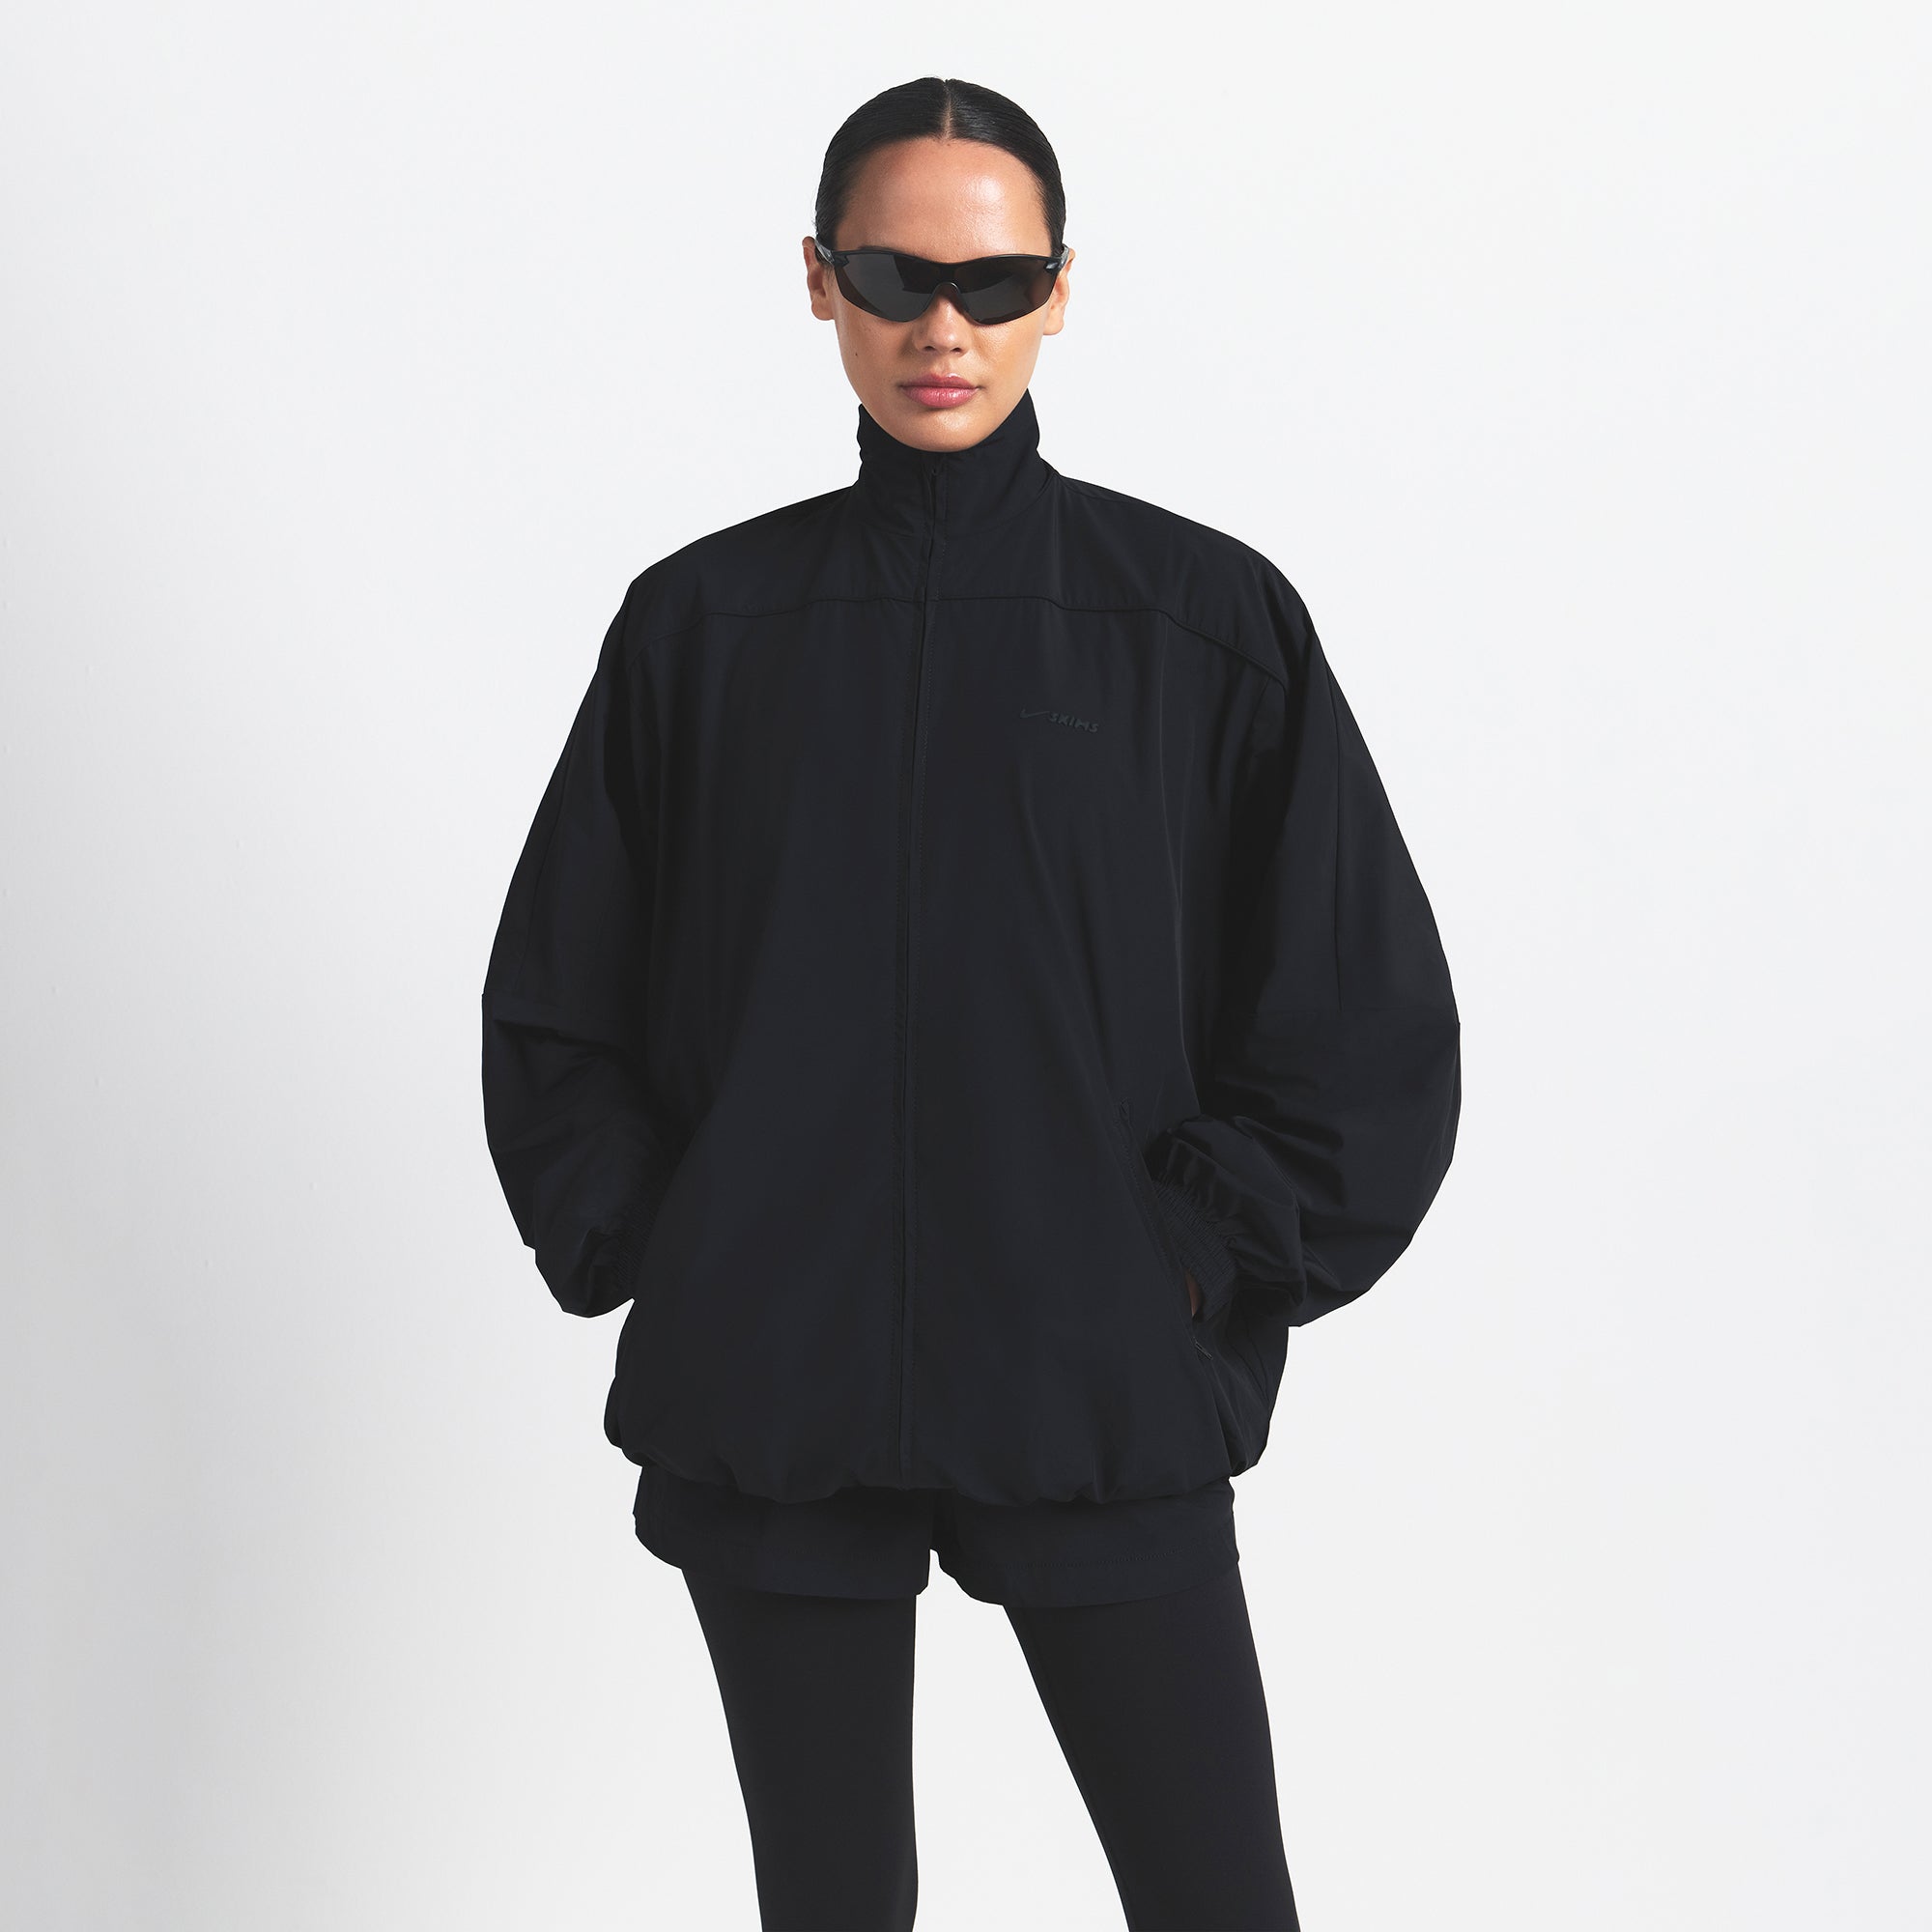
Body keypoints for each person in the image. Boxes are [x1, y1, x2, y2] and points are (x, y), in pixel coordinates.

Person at [480, 74, 1461, 1932]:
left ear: (1061, 292)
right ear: (820, 280)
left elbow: (1362, 1016)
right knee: (831, 1905)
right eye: (894, 275)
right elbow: (558, 999)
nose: (945, 327)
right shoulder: (703, 629)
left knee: (1215, 1898)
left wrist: (1185, 1263)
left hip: (1095, 1379)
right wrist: (684, 1246)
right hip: (777, 1389)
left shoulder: (1200, 622)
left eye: (995, 283)